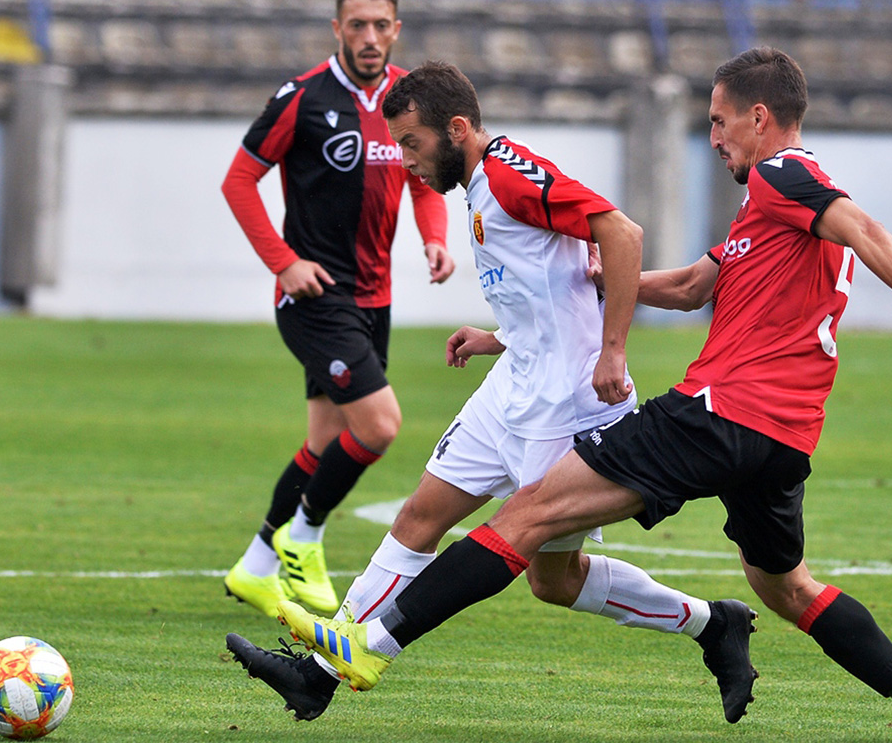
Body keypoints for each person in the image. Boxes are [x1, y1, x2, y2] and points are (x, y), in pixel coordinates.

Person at [273, 48, 892, 740]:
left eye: (720, 122)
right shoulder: (769, 214)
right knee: (788, 588)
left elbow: (864, 227)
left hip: (716, 414)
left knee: (529, 514)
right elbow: (692, 287)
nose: (714, 137)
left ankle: (368, 646)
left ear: (761, 116)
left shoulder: (787, 175)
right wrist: (591, 288)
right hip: (783, 440)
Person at [227, 60, 759, 725]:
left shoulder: (510, 173)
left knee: (553, 581)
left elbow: (620, 234)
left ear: (455, 129)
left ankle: (713, 625)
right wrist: (499, 337)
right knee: (419, 518)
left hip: (566, 406)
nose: (406, 162)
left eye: (413, 145)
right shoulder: (478, 183)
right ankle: (319, 675)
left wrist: (614, 349)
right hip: (511, 387)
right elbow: (554, 287)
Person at [220, 0, 454, 618]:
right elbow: (239, 182)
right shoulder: (301, 98)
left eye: (382, 25)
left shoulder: (407, 100)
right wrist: (284, 262)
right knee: (379, 425)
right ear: (337, 29)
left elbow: (425, 180)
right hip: (315, 295)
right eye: (358, 25)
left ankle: (256, 566)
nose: (371, 37)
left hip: (373, 299)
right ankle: (305, 534)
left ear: (397, 28)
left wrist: (434, 239)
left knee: (324, 441)